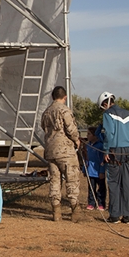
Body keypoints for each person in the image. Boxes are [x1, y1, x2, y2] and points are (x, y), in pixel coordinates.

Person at [98, 91, 129, 224]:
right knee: (127, 183)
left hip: (114, 151)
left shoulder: (107, 114)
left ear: (105, 104)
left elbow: (109, 134)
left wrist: (106, 151)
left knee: (114, 183)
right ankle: (127, 216)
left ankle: (115, 215)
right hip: (128, 152)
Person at [40, 85, 82, 222]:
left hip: (51, 151)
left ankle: (56, 211)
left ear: (52, 97)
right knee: (72, 180)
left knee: (55, 181)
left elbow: (43, 128)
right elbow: (71, 129)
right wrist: (77, 140)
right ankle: (75, 210)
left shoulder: (46, 112)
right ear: (65, 97)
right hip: (65, 151)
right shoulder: (64, 110)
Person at [83, 126, 106, 211]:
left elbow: (103, 160)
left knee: (101, 189)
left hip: (98, 171)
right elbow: (86, 159)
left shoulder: (100, 146)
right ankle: (91, 203)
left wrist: (102, 171)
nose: (87, 136)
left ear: (95, 135)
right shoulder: (88, 145)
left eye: (89, 134)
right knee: (91, 188)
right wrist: (84, 170)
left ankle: (101, 204)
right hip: (90, 171)